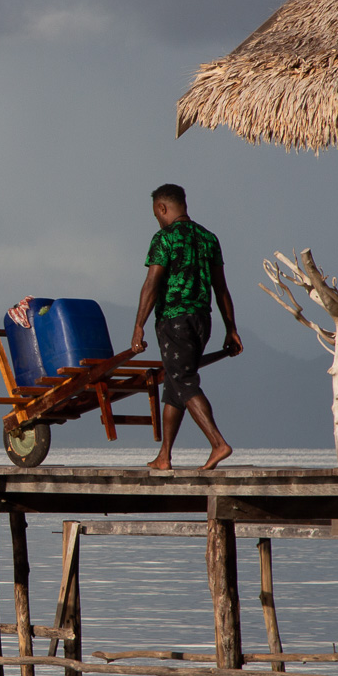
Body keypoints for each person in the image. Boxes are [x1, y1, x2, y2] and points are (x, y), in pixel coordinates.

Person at [130, 183, 241, 470]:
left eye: (157, 214)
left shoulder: (164, 238)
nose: (157, 219)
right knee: (175, 384)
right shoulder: (208, 238)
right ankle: (164, 455)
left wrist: (138, 326)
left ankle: (218, 443)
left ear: (162, 209)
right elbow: (222, 289)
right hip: (203, 321)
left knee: (184, 381)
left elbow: (151, 285)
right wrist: (231, 328)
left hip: (174, 321)